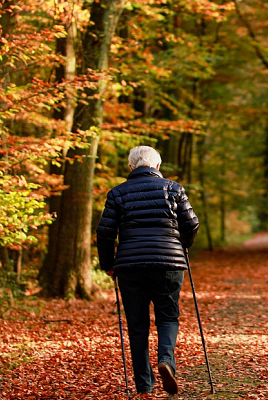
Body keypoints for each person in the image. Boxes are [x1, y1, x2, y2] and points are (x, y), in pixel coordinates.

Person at [97, 146, 199, 395]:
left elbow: (105, 232)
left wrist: (108, 264)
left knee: (137, 324)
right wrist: (181, 245)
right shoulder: (174, 189)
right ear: (157, 167)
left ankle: (144, 385)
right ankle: (166, 360)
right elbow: (191, 223)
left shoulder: (117, 193)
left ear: (131, 167)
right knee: (167, 315)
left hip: (130, 265)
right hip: (168, 263)